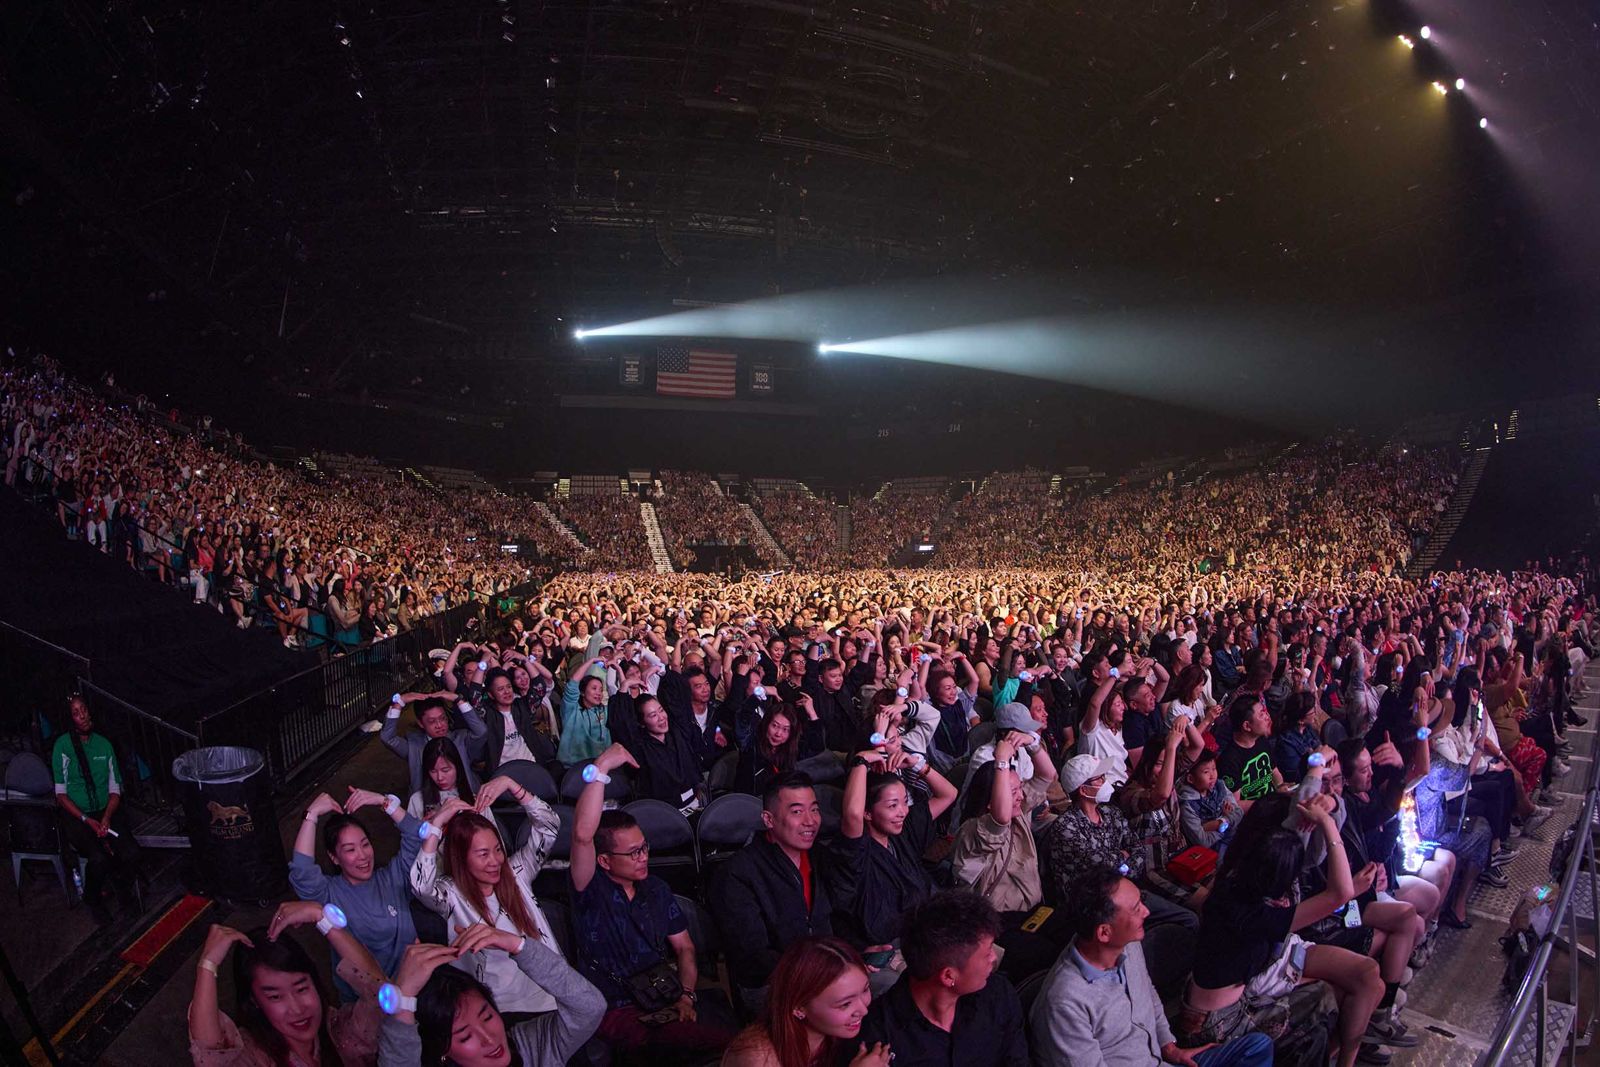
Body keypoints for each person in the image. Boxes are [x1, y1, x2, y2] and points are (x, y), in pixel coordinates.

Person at [1181, 792, 1382, 1067]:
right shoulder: (1252, 914)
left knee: (1343, 990)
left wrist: (1329, 804)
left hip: (1228, 1005)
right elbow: (1342, 892)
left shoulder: (1238, 878)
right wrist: (1326, 822)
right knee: (1325, 996)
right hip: (1217, 1025)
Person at [570, 743, 737, 1057]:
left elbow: (684, 947)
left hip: (664, 995)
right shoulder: (591, 890)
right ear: (604, 861)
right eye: (633, 853)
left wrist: (687, 995)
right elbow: (582, 834)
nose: (643, 857)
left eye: (644, 848)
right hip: (615, 1007)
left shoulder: (656, 889)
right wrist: (602, 768)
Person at [1030, 867, 1274, 1067]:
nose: (1146, 912)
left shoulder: (1127, 944)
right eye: (1136, 909)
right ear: (1104, 932)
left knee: (1257, 1046)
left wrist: (1170, 1048)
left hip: (1163, 1061)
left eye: (1141, 902)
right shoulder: (1064, 1003)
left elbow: (1148, 994)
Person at [408, 775, 562, 1015]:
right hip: (499, 1009)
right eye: (482, 854)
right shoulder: (451, 894)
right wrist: (436, 824)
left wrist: (513, 785)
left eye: (498, 849)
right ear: (462, 857)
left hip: (550, 994)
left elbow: (549, 826)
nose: (495, 861)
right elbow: (420, 885)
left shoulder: (517, 872)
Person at [189, 899, 387, 1067]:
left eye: (301, 988)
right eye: (275, 996)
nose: (297, 1008)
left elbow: (381, 995)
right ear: (255, 1000)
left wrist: (322, 917)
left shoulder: (336, 1032)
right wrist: (207, 965)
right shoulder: (254, 1055)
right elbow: (210, 1056)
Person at [378, 925, 605, 1067]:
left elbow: (590, 1007)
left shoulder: (534, 1046)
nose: (489, 1039)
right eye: (465, 1036)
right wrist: (403, 1001)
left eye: (487, 1016)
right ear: (443, 1050)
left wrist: (517, 946)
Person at [831, 743, 959, 988]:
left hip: (923, 934)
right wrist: (860, 762)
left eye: (903, 802)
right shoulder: (854, 851)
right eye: (892, 806)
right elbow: (852, 815)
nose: (902, 812)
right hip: (889, 949)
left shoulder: (902, 832)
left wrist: (917, 764)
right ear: (868, 813)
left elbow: (949, 794)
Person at [855, 891, 1028, 1067]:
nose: (993, 958)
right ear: (948, 976)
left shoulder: (998, 996)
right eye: (987, 952)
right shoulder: (878, 1039)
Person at [708, 772, 834, 1013]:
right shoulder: (738, 872)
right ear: (768, 819)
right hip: (770, 984)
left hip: (822, 971)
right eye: (797, 812)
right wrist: (817, 973)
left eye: (814, 809)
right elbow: (753, 955)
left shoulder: (819, 857)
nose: (810, 821)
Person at [290, 788, 425, 1000]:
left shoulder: (393, 877)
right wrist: (311, 815)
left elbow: (418, 835)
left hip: (416, 992)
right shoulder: (330, 894)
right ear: (334, 858)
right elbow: (301, 871)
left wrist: (383, 801)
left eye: (365, 845)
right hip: (368, 1004)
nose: (362, 856)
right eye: (350, 850)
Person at [719, 937, 891, 1067]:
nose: (863, 1010)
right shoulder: (756, 1058)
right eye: (845, 1004)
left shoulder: (832, 1032)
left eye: (865, 990)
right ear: (798, 1007)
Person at [51, 694, 141, 920]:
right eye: (76, 712)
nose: (82, 716)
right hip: (78, 815)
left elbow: (114, 789)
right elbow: (61, 795)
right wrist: (86, 820)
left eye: (84, 710)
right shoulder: (62, 746)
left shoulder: (104, 744)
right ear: (70, 718)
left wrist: (107, 817)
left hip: (105, 811)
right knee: (98, 858)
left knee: (131, 852)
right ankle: (93, 897)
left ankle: (123, 887)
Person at [381, 695, 487, 797]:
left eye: (443, 718)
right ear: (421, 723)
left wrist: (458, 699)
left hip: (467, 797)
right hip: (427, 804)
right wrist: (399, 702)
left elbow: (481, 731)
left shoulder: (460, 739)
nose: (439, 725)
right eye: (432, 721)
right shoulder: (413, 745)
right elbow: (388, 738)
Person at [405, 737, 494, 834]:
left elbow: (495, 842)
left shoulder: (477, 802)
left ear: (458, 767)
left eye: (445, 770)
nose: (440, 777)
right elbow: (408, 844)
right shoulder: (417, 801)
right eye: (433, 771)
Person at [1215, 693, 1281, 807]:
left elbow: (1275, 773)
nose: (1267, 716)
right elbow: (1235, 804)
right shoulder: (1228, 760)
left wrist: (1281, 789)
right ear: (1247, 726)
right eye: (1261, 714)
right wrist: (1266, 805)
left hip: (1273, 805)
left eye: (1264, 711)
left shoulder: (1262, 741)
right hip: (1254, 818)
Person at [557, 656, 612, 765]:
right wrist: (591, 661)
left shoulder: (603, 711)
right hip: (573, 767)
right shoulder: (572, 710)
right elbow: (572, 685)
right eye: (594, 688)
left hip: (600, 766)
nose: (598, 693)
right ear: (582, 692)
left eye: (601, 690)